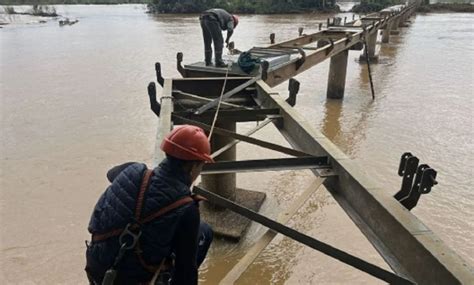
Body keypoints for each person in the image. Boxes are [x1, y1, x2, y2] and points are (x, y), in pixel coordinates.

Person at [85, 125, 214, 285]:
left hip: (97, 269)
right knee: (205, 232)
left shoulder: (132, 170)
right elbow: (186, 272)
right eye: (201, 166)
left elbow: (111, 174)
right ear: (193, 166)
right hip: (131, 279)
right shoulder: (186, 207)